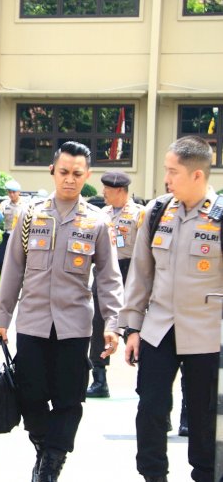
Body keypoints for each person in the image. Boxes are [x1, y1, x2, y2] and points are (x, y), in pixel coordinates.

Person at [0, 141, 123, 481]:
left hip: (74, 327)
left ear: (87, 176)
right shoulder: (29, 216)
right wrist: (1, 318)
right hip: (33, 322)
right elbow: (12, 271)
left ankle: (50, 464)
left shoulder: (97, 222)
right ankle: (45, 447)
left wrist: (113, 323)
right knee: (29, 396)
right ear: (53, 171)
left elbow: (109, 279)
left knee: (69, 400)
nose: (69, 179)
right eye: (64, 172)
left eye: (77, 174)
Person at [121, 136, 222, 482]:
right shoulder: (157, 211)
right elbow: (140, 275)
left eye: (173, 171)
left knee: (203, 413)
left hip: (207, 334)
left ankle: (205, 474)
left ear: (197, 175)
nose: (166, 178)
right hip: (159, 328)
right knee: (150, 407)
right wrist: (132, 328)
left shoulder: (220, 217)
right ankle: (153, 475)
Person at [85, 171, 142, 398]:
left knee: (134, 325)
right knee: (98, 325)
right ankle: (99, 379)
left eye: (107, 189)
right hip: (105, 272)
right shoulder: (102, 214)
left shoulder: (139, 214)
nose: (103, 193)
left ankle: (146, 379)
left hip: (130, 271)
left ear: (119, 190)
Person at [0, 179, 27, 275]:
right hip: (8, 234)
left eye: (14, 192)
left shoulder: (25, 205)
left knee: (19, 262)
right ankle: (4, 282)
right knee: (1, 261)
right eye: (9, 192)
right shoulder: (5, 204)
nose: (11, 194)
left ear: (19, 192)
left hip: (20, 236)